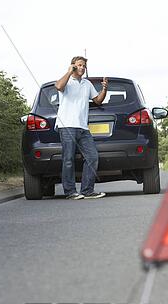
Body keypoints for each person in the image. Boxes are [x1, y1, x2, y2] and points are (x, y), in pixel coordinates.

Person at [55, 56, 108, 199]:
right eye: (79, 65)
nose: (82, 68)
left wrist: (104, 89)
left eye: (84, 66)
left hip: (83, 127)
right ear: (73, 66)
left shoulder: (87, 84)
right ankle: (70, 192)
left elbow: (97, 100)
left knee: (92, 156)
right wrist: (68, 72)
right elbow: (59, 86)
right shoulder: (67, 81)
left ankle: (87, 190)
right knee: (68, 159)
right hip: (67, 126)